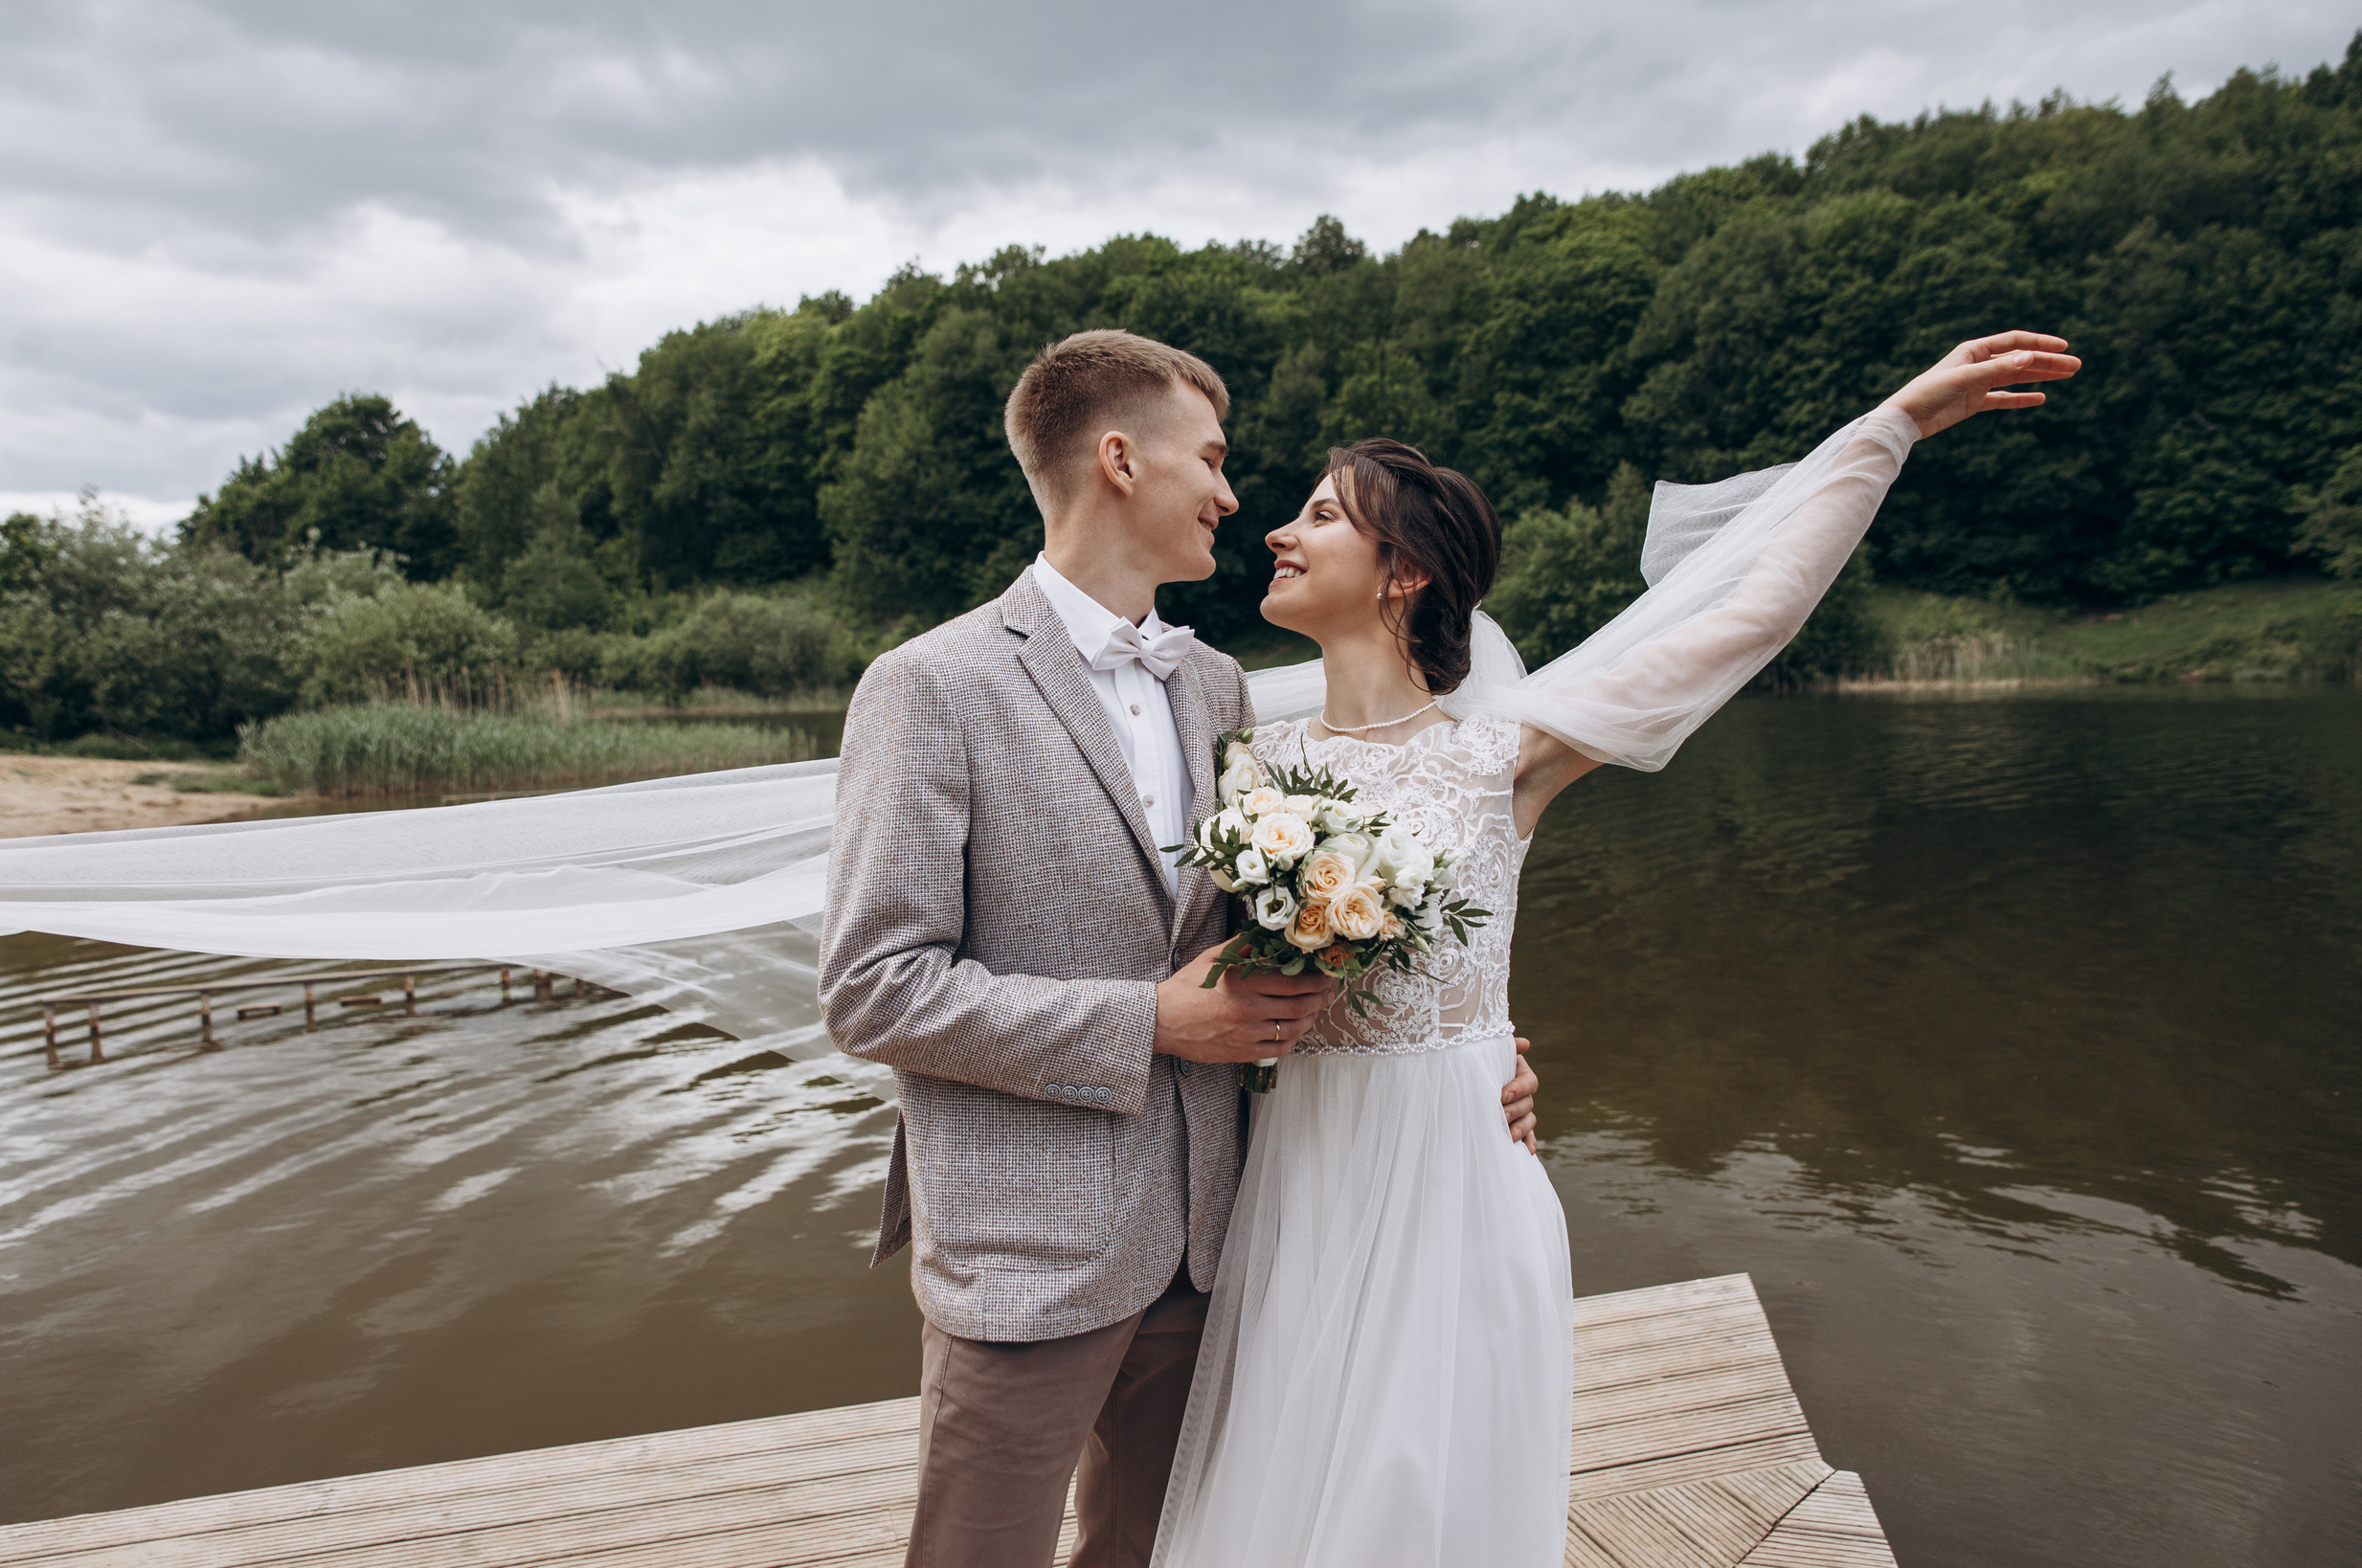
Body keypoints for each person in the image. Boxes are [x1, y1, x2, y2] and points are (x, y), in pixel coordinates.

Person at [1148, 331, 2081, 1566]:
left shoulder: (1503, 757)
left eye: (1320, 516)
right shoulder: (1242, 764)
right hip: (1302, 1170)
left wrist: (1891, 426)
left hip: (1458, 1167)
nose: (1278, 530)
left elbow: (1742, 613)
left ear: (1403, 574)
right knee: (1289, 1479)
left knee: (1428, 1484)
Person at [815, 329, 1543, 1568]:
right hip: (1028, 1256)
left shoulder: (1220, 689)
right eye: (1211, 459)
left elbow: (1294, 949)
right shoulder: (929, 685)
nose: (1230, 494)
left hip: (1218, 1252)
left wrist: (1473, 1062)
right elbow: (873, 992)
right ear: (1118, 459)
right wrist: (1148, 1019)